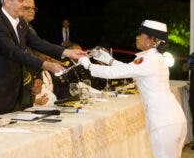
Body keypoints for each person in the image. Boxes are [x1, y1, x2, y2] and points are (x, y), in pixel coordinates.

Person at [78, 20, 187, 158]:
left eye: (140, 35)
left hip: (164, 124)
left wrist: (89, 66)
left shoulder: (149, 61)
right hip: (171, 120)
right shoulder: (153, 58)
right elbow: (129, 69)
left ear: (151, 40)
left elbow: (117, 73)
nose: (136, 37)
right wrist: (109, 60)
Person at [0, 0, 85, 114]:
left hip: (16, 92)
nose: (25, 4)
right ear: (7, 2)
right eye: (21, 0)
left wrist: (69, 52)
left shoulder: (21, 23)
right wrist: (46, 65)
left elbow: (39, 43)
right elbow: (15, 52)